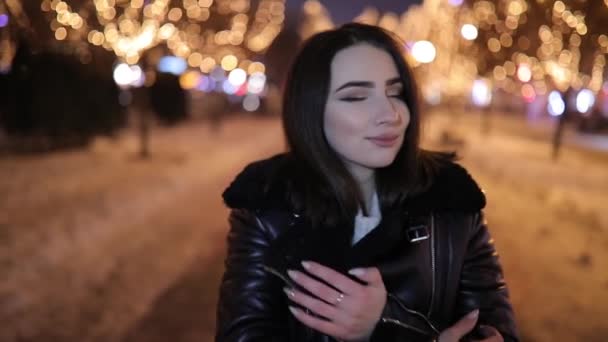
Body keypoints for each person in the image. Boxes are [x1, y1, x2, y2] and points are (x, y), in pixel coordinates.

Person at [216, 23, 519, 342]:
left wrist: (386, 323)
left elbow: (494, 330)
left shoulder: (450, 198)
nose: (390, 113)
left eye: (396, 92)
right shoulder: (269, 203)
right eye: (357, 96)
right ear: (310, 109)